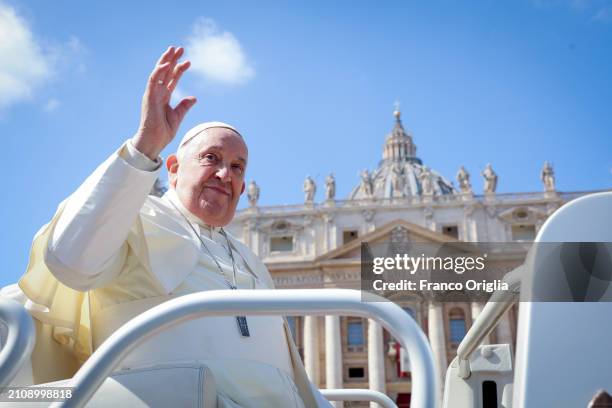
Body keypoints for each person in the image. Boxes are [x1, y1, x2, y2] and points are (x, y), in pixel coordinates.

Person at [15, 46, 328, 407]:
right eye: (211, 158)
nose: (225, 174)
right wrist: (145, 144)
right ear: (175, 167)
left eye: (238, 167)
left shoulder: (249, 258)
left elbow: (285, 370)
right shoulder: (134, 219)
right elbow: (70, 261)